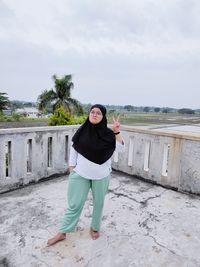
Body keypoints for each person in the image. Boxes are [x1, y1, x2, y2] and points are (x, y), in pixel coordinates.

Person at [47, 104, 124, 246]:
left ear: (103, 117)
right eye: (92, 112)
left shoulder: (108, 134)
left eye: (99, 113)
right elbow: (73, 150)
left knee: (98, 204)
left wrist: (117, 132)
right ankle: (62, 232)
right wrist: (72, 169)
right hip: (80, 174)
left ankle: (95, 228)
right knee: (74, 204)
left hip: (101, 175)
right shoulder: (82, 131)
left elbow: (120, 150)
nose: (94, 115)